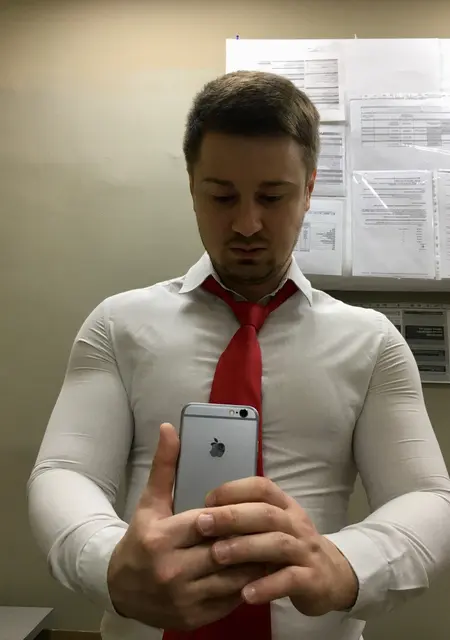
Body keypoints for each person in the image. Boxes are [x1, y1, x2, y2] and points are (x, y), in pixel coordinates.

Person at [28, 71, 450, 640]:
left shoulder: (372, 343)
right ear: (192, 186)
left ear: (309, 190)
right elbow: (66, 471)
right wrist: (110, 562)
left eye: (273, 197)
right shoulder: (117, 325)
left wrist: (346, 565)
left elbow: (426, 495)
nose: (247, 224)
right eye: (222, 196)